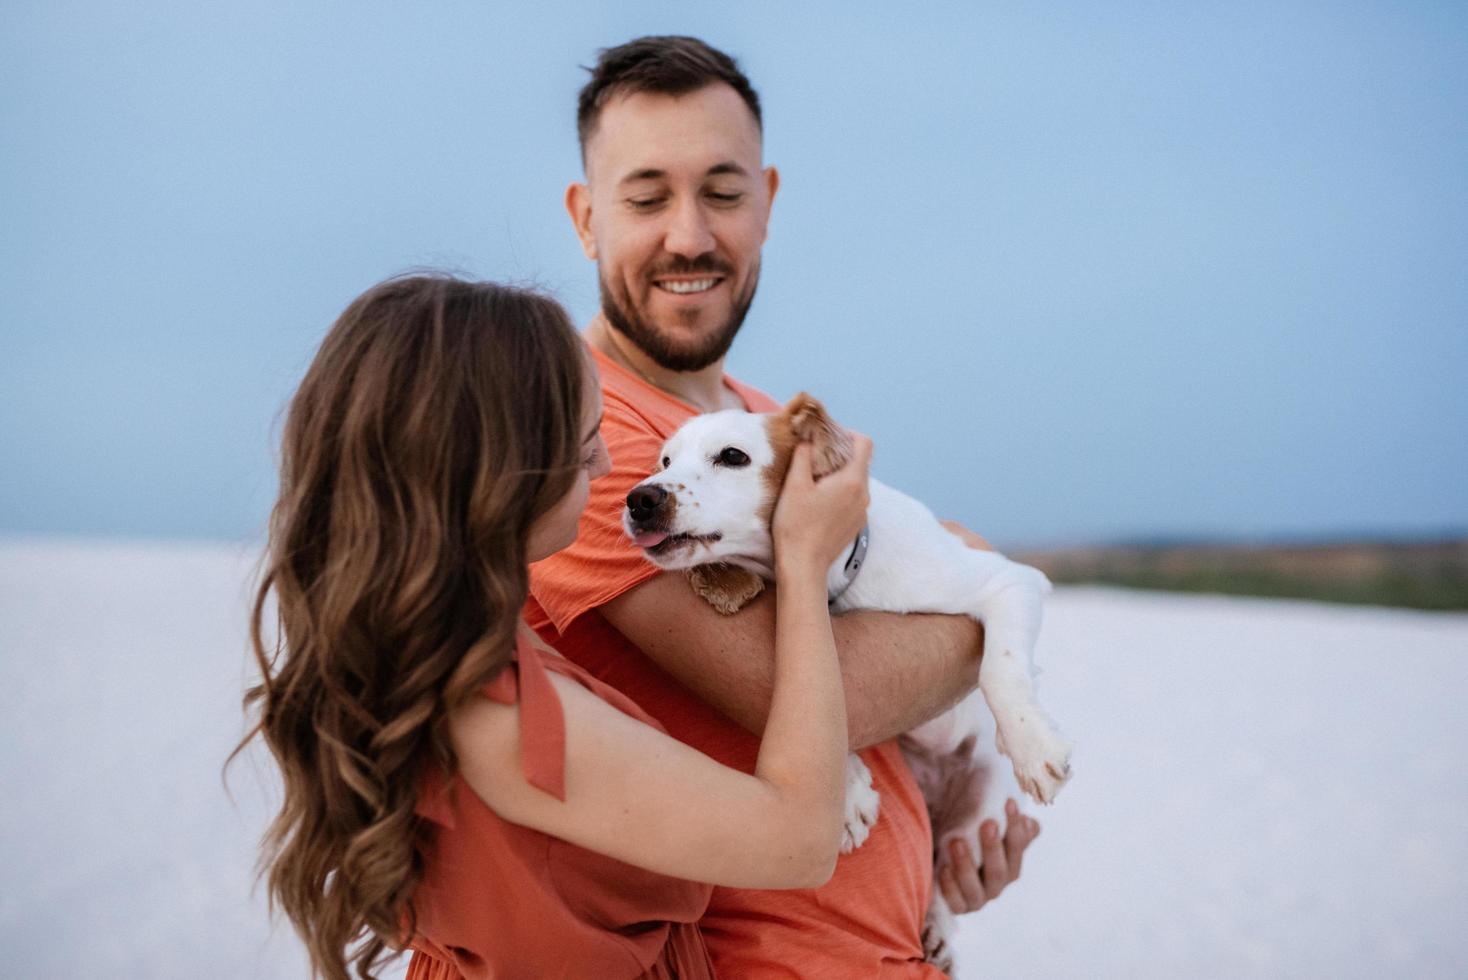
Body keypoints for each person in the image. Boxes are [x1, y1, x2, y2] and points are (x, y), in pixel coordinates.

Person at [526, 36, 1042, 977]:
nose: (689, 235)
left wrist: (949, 829)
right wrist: (985, 607)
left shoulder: (764, 425)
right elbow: (802, 691)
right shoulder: (582, 445)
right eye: (645, 198)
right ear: (585, 217)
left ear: (767, 202)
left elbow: (875, 656)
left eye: (723, 193)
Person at [240, 274, 875, 980]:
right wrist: (805, 559)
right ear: (493, 471)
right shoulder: (498, 715)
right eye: (581, 445)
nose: (607, 464)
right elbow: (800, 839)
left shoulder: (465, 643)